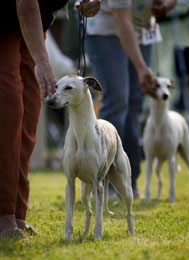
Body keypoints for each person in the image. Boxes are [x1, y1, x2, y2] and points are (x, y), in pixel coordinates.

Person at [0, 0, 100, 238]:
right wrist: (42, 61)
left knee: (30, 114)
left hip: (35, 24)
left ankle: (17, 213)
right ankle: (3, 215)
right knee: (8, 114)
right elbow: (26, 3)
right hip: (6, 24)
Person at [86, 0, 177, 198]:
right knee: (117, 100)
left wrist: (166, 4)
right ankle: (106, 184)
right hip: (107, 31)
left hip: (143, 32)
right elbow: (122, 20)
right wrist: (142, 67)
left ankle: (129, 181)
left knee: (135, 104)